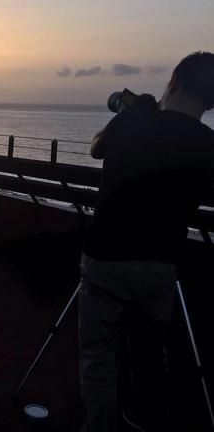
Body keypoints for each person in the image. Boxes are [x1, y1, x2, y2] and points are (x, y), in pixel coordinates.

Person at [79, 51, 214, 431]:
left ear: (173, 82)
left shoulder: (137, 119)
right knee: (151, 356)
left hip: (105, 257)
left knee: (98, 358)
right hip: (160, 264)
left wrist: (133, 111)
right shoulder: (208, 144)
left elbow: (96, 148)